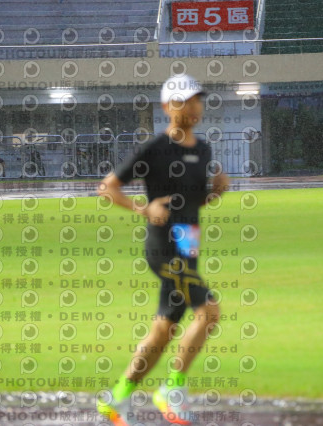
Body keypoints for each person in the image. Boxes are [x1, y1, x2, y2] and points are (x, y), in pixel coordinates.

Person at [96, 74, 230, 425]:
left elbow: (192, 201)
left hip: (189, 247)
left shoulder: (203, 149)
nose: (195, 106)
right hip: (164, 248)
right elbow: (108, 188)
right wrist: (144, 209)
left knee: (163, 330)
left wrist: (216, 192)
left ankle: (118, 398)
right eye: (186, 100)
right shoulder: (154, 148)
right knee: (209, 312)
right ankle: (172, 389)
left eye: (197, 99)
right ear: (168, 106)